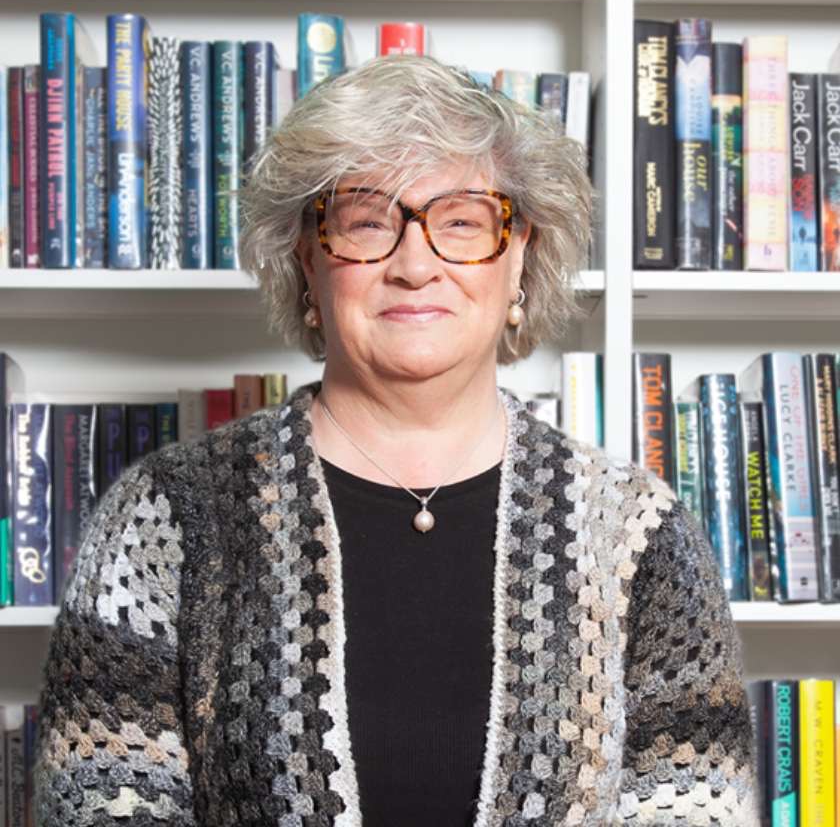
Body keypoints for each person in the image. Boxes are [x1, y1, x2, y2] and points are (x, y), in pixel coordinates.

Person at [34, 55, 758, 826]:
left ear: (521, 261)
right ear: (307, 262)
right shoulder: (167, 517)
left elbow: (697, 803)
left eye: (462, 222)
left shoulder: (637, 531)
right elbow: (98, 797)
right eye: (367, 221)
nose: (416, 265)